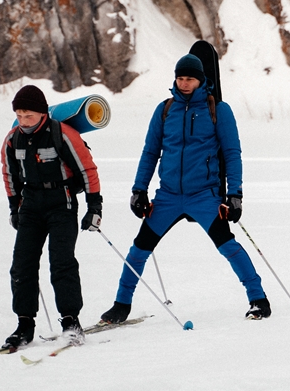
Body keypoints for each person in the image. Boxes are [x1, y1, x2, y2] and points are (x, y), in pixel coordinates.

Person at [101, 53, 270, 322]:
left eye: (189, 79)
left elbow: (232, 153)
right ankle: (121, 305)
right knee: (138, 250)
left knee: (228, 247)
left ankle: (258, 299)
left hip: (204, 196)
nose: (183, 83)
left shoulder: (218, 110)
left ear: (201, 80)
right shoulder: (165, 109)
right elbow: (150, 152)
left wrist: (234, 194)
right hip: (167, 196)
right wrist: (139, 189)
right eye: (179, 78)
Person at [1, 84, 103, 349]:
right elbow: (9, 175)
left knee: (61, 262)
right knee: (22, 265)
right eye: (20, 116)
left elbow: (88, 170)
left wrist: (95, 208)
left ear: (43, 114)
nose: (24, 122)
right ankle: (25, 325)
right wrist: (14, 208)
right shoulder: (12, 140)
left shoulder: (63, 134)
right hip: (31, 206)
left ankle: (71, 323)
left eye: (29, 116)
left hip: (62, 202)